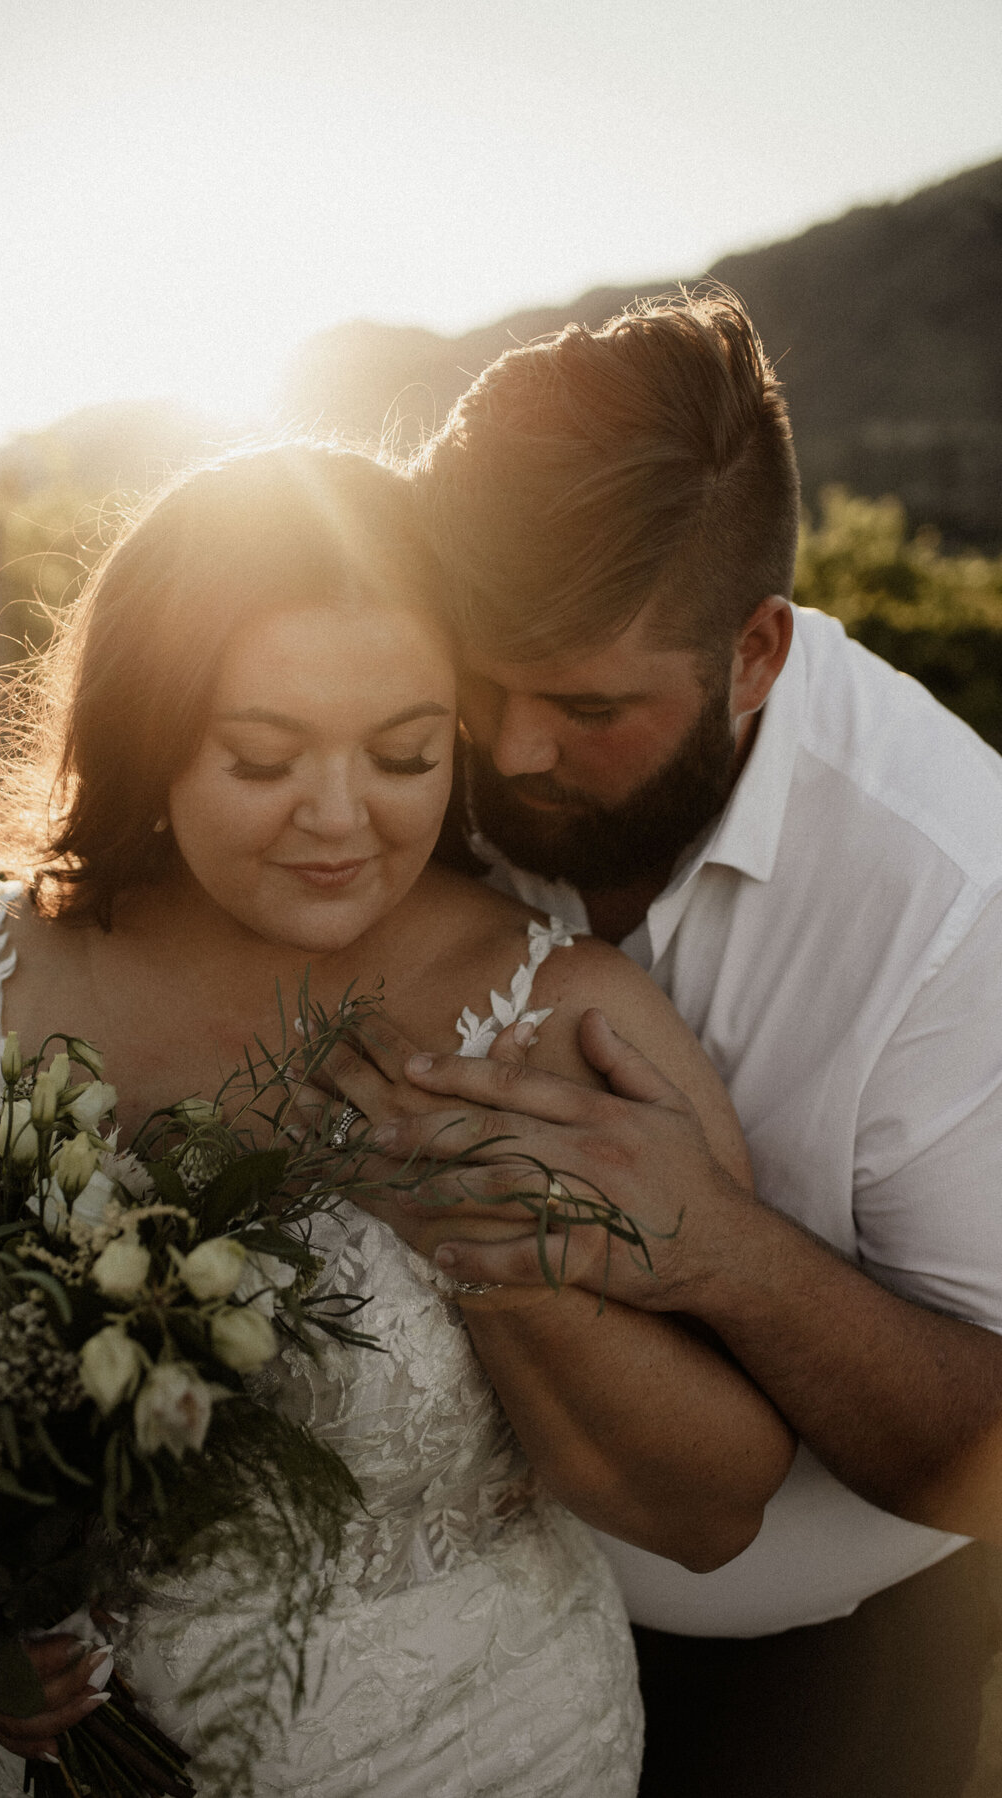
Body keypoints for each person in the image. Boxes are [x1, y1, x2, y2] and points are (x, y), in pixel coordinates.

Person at [0, 444, 793, 1798]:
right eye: (264, 756)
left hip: (466, 1752)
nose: (341, 818)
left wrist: (488, 1252)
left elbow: (715, 1504)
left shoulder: (559, 1013)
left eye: (405, 752)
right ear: (151, 729)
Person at [319, 294, 1002, 1798]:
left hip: (816, 1686)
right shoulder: (423, 743)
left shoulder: (955, 895)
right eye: (479, 681)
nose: (508, 753)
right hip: (449, 1639)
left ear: (756, 651)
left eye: (588, 704)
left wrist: (720, 1248)